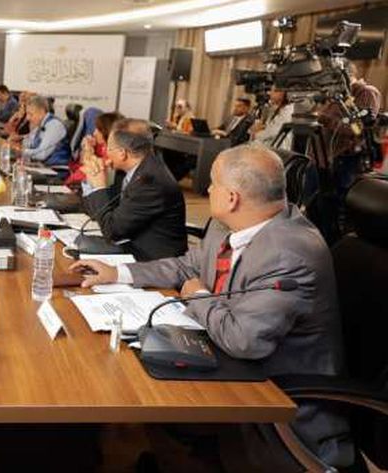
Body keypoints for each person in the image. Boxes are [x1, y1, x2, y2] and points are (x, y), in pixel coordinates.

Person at [70, 144, 352, 470]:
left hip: (274, 400)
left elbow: (244, 340)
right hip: (224, 359)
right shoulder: (229, 224)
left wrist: (199, 296)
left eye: (213, 183)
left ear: (231, 198)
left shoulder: (289, 253)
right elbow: (188, 265)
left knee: (136, 389)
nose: (207, 190)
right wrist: (118, 273)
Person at [79, 118, 187, 261]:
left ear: (122, 153)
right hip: (132, 243)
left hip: (152, 259)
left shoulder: (150, 182)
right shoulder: (134, 169)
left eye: (108, 148)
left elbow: (112, 231)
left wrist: (99, 187)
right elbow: (104, 211)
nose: (106, 153)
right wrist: (94, 182)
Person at [319, 62, 382, 192]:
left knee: (337, 201)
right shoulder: (339, 95)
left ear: (344, 76)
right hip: (324, 160)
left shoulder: (366, 92)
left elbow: (358, 129)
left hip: (344, 162)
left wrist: (327, 121)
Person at [11, 95, 71, 166]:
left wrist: (21, 151)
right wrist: (16, 147)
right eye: (27, 114)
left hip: (54, 168)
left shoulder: (54, 125)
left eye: (31, 114)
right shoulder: (40, 124)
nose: (27, 118)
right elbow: (28, 143)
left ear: (41, 112)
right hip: (42, 165)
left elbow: (42, 154)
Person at [66, 111, 122, 186]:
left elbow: (84, 174)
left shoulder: (110, 155)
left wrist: (88, 153)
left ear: (106, 132)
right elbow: (76, 168)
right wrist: (85, 150)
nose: (94, 133)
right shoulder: (99, 147)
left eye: (98, 130)